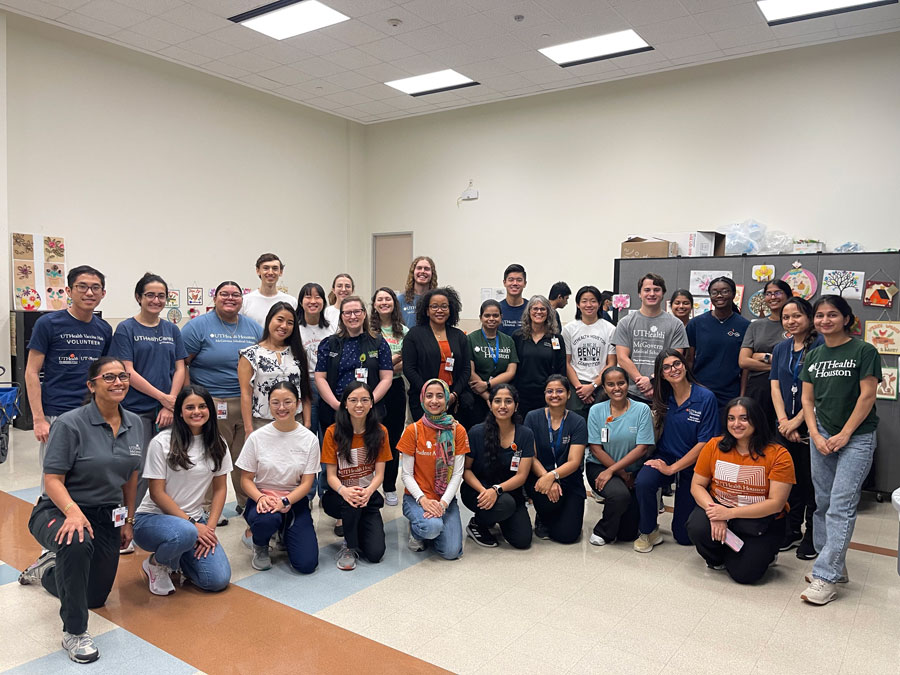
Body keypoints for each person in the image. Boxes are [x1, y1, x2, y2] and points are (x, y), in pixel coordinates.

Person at [18, 357, 142, 664]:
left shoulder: (135, 423)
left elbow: (131, 477)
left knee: (95, 598)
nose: (118, 382)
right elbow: (52, 479)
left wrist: (128, 519)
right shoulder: (70, 423)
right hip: (58, 510)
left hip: (107, 514)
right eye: (109, 377)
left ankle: (49, 569)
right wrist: (72, 512)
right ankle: (74, 632)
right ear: (92, 385)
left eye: (123, 377)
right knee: (75, 541)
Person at [799, 295, 881, 605]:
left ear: (846, 319)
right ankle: (833, 563)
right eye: (819, 315)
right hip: (821, 435)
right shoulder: (815, 355)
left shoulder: (864, 350)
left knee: (842, 506)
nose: (824, 320)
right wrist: (815, 434)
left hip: (857, 437)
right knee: (823, 503)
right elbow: (808, 400)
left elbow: (867, 396)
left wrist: (845, 434)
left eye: (832, 315)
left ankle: (826, 576)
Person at [132, 385, 232, 595]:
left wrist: (209, 529)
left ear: (210, 411)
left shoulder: (218, 443)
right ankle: (156, 563)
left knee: (217, 580)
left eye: (202, 406)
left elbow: (220, 488)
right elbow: (157, 493)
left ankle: (179, 559)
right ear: (179, 412)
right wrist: (193, 525)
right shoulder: (161, 443)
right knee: (185, 533)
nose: (197, 412)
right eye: (190, 407)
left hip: (193, 522)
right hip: (152, 519)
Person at [687, 398, 795, 584]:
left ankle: (755, 554)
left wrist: (730, 513)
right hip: (721, 508)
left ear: (757, 420)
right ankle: (718, 557)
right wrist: (716, 513)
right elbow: (696, 486)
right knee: (697, 526)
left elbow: (776, 504)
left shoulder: (778, 454)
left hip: (761, 519)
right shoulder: (714, 446)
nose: (736, 424)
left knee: (745, 575)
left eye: (743, 418)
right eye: (731, 418)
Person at [111, 273, 187, 527]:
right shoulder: (126, 329)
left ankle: (160, 516)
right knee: (137, 469)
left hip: (169, 410)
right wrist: (163, 398)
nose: (156, 300)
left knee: (170, 465)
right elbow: (128, 372)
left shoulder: (171, 329)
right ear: (139, 297)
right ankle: (127, 523)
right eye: (150, 295)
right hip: (137, 411)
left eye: (161, 295)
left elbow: (179, 368)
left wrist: (171, 401)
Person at [182, 281, 262, 520]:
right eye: (224, 294)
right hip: (211, 402)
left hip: (246, 400)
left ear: (242, 299)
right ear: (215, 298)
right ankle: (205, 507)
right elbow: (182, 362)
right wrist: (189, 398)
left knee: (244, 455)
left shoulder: (253, 328)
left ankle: (245, 502)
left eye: (235, 295)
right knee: (211, 454)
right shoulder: (197, 327)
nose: (230, 298)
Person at [25, 265, 112, 465]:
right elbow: (31, 372)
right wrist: (38, 419)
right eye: (82, 287)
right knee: (55, 477)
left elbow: (104, 374)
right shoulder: (47, 323)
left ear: (103, 293)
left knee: (89, 474)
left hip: (93, 412)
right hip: (57, 411)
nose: (89, 293)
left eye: (95, 288)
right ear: (68, 291)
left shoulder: (104, 329)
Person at [633, 350, 719, 552]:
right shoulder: (662, 397)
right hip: (665, 455)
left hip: (695, 463)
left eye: (677, 364)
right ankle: (648, 531)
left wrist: (673, 469)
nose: (673, 369)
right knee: (644, 481)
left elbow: (705, 443)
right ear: (661, 374)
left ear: (685, 365)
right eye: (666, 367)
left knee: (684, 536)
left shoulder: (705, 397)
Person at [237, 382, 320, 573]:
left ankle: (284, 532)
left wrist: (285, 501)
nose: (281, 408)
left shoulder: (309, 440)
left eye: (287, 402)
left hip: (293, 500)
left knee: (306, 565)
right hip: (262, 499)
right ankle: (260, 544)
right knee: (267, 521)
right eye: (275, 403)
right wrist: (261, 498)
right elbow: (246, 480)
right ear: (269, 404)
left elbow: (307, 483)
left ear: (298, 404)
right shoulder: (257, 438)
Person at [770, 297, 822, 558]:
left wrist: (796, 422)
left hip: (810, 424)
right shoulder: (782, 347)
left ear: (809, 317)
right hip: (784, 426)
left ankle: (812, 536)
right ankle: (791, 530)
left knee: (811, 483)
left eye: (797, 316)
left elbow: (819, 391)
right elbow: (776, 386)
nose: (791, 321)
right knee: (788, 480)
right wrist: (783, 421)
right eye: (786, 317)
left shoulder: (821, 345)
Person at [321, 382, 391, 570]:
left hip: (367, 495)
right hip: (340, 496)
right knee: (350, 502)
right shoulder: (332, 432)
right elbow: (331, 477)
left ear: (371, 404)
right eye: (353, 400)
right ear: (345, 403)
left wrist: (368, 492)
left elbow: (380, 474)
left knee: (376, 554)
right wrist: (345, 491)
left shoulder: (380, 432)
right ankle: (348, 547)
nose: (359, 405)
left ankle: (357, 527)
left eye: (364, 400)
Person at [398, 379, 469, 559]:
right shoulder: (413, 430)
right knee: (431, 528)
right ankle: (418, 531)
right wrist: (423, 500)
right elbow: (406, 474)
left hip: (444, 498)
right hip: (416, 498)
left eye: (439, 396)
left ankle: (432, 525)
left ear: (447, 399)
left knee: (451, 552)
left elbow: (458, 473)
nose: (434, 401)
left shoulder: (457, 430)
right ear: (422, 399)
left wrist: (443, 504)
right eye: (429, 396)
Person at [586, 367, 654, 546]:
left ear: (628, 384)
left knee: (628, 534)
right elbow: (595, 449)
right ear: (605, 388)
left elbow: (642, 448)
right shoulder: (596, 410)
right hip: (600, 467)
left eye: (621, 383)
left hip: (633, 470)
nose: (616, 388)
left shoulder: (642, 410)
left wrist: (620, 471)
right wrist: (620, 474)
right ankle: (603, 531)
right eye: (610, 384)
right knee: (619, 495)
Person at [462, 384, 534, 549]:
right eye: (498, 401)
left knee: (522, 541)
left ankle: (499, 515)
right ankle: (478, 523)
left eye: (508, 401)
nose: (502, 406)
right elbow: (465, 470)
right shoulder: (476, 432)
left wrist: (497, 490)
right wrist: (484, 491)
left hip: (508, 490)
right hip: (477, 490)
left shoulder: (525, 434)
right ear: (490, 404)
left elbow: (521, 476)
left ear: (516, 406)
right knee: (505, 505)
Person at [524, 375, 587, 544]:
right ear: (544, 394)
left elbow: (574, 461)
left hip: (569, 478)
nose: (554, 395)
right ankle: (543, 515)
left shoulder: (578, 421)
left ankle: (561, 514)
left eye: (560, 391)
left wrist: (552, 476)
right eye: (549, 391)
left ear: (568, 394)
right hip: (540, 476)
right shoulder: (532, 417)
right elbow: (531, 456)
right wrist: (546, 478)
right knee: (547, 501)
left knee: (567, 536)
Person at [614, 273, 689, 404]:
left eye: (656, 290)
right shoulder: (625, 323)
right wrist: (642, 382)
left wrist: (653, 381)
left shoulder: (676, 325)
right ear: (639, 293)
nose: (652, 294)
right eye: (647, 290)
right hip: (632, 393)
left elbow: (675, 360)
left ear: (663, 293)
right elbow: (622, 358)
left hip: (665, 391)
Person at [238, 302, 312, 434]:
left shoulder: (299, 352)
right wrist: (248, 429)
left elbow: (305, 390)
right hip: (262, 423)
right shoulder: (250, 354)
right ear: (269, 320)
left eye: (290, 323)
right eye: (280, 319)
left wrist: (307, 423)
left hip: (295, 421)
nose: (284, 326)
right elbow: (246, 394)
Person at [402, 287, 470, 420]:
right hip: (423, 400)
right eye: (434, 306)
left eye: (444, 306)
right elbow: (409, 369)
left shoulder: (459, 336)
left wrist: (453, 395)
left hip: (453, 401)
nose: (440, 310)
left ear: (451, 310)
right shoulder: (414, 335)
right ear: (427, 311)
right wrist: (429, 394)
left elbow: (466, 370)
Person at [686, 276, 749, 409]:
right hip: (700, 391)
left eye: (725, 291)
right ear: (710, 296)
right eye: (714, 292)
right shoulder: (696, 324)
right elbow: (689, 360)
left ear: (733, 294)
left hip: (730, 394)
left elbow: (745, 368)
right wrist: (688, 390)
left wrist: (741, 397)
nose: (719, 296)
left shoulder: (745, 326)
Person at [370, 287, 408, 506]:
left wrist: (384, 364)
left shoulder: (403, 331)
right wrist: (391, 361)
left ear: (394, 303)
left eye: (388, 299)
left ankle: (390, 486)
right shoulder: (369, 331)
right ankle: (372, 481)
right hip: (372, 389)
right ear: (374, 304)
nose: (384, 302)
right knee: (372, 437)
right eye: (380, 299)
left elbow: (406, 360)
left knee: (393, 439)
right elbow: (369, 363)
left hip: (395, 389)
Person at [739, 279, 791, 436]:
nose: (773, 297)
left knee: (784, 434)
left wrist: (761, 356)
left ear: (788, 296)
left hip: (788, 386)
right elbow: (743, 361)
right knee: (757, 434)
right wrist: (776, 363)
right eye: (768, 294)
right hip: (759, 388)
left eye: (777, 293)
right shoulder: (756, 326)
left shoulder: (796, 323)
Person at [460, 299, 518, 429]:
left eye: (495, 315)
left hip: (502, 397)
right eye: (487, 315)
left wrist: (488, 386)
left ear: (501, 318)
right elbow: (470, 371)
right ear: (480, 318)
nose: (491, 319)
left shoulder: (508, 340)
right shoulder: (470, 339)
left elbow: (511, 371)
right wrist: (487, 397)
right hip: (477, 398)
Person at [563, 285, 616, 417]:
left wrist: (592, 386)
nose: (589, 305)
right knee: (576, 426)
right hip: (576, 385)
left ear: (599, 304)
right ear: (578, 304)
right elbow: (566, 362)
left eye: (593, 301)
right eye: (584, 301)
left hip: (601, 386)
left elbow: (611, 363)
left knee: (601, 424)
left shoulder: (610, 329)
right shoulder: (569, 329)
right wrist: (580, 389)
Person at [512, 296, 566, 417]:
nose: (539, 312)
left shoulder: (556, 338)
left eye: (543, 309)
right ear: (529, 311)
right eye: (535, 308)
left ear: (548, 312)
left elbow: (561, 368)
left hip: (547, 396)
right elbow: (512, 366)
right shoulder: (518, 336)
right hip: (522, 396)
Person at [240, 253, 296, 328]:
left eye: (275, 268)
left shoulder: (291, 302)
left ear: (281, 272)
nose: (270, 272)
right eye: (266, 268)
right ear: (258, 271)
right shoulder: (245, 301)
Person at [400, 256, 437, 327]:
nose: (422, 271)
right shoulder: (401, 299)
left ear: (432, 273)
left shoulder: (437, 299)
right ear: (413, 272)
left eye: (426, 269)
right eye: (419, 268)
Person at [498, 264, 528, 336]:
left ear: (525, 284)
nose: (515, 283)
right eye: (511, 280)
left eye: (519, 280)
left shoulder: (531, 309)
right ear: (504, 283)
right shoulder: (496, 309)